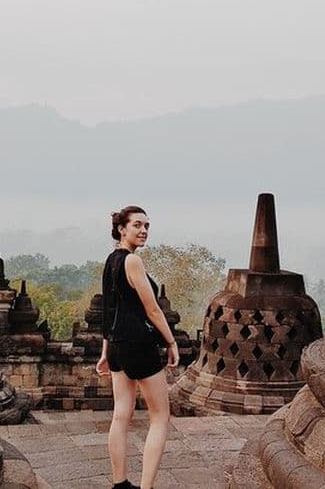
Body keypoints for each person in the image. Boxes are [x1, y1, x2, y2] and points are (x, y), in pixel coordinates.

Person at [96, 205, 179, 489]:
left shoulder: (111, 261)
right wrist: (171, 341)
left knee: (121, 414)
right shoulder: (132, 261)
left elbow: (109, 311)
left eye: (146, 226)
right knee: (160, 416)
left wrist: (106, 352)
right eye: (137, 225)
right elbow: (153, 309)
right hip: (139, 344)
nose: (143, 231)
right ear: (122, 229)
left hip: (118, 346)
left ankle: (120, 484)